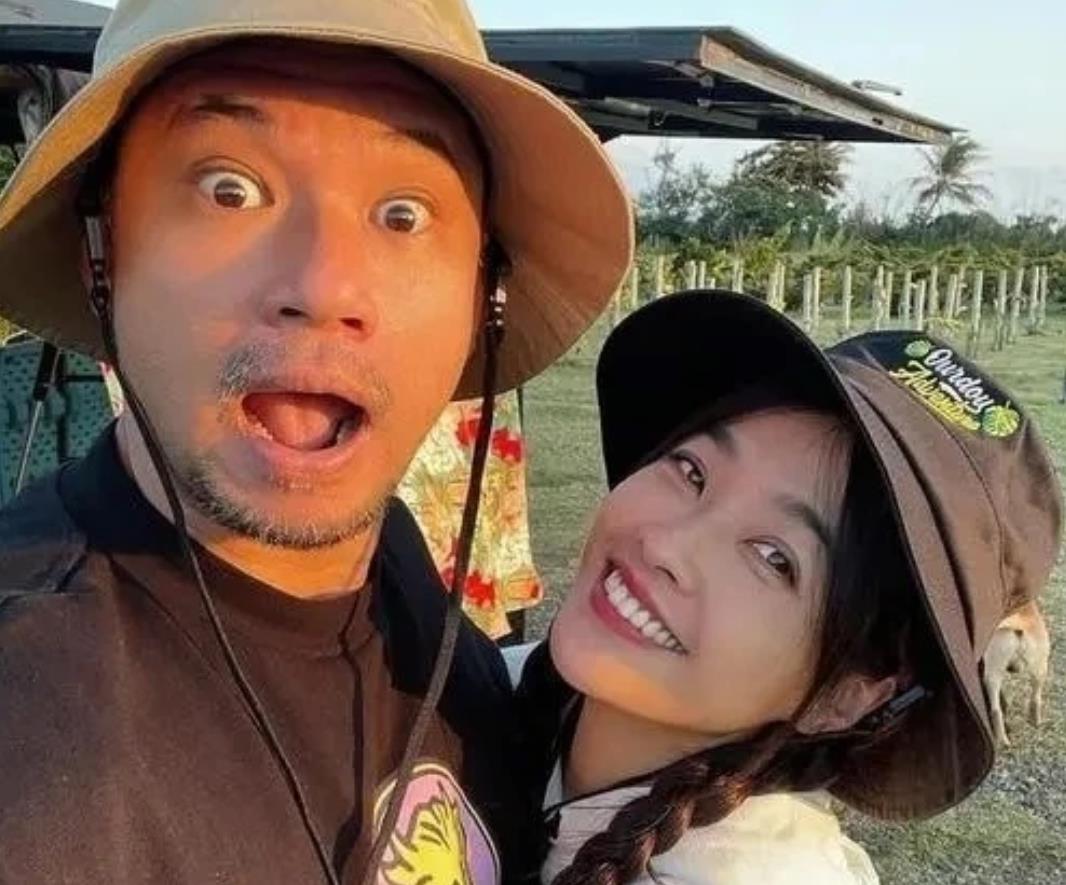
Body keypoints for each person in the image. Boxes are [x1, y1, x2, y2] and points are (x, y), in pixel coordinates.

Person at [0, 2, 633, 884]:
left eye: (403, 214)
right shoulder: (30, 741)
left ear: (483, 293)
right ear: (99, 253)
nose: (324, 284)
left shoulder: (400, 579)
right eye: (229, 189)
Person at [509, 290, 1063, 885]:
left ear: (844, 696)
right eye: (692, 471)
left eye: (775, 558)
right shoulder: (481, 685)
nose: (666, 545)